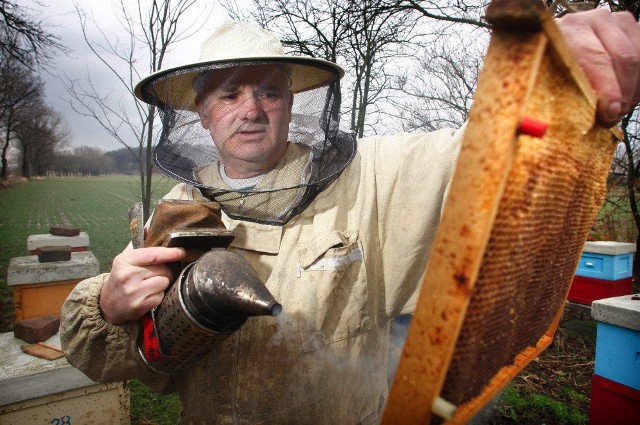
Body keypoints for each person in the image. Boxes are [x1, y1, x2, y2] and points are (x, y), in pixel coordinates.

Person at [61, 9, 640, 424]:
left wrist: (549, 79)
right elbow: (112, 356)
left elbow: (489, 147)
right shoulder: (175, 212)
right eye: (229, 94)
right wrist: (110, 306)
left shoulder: (372, 175)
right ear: (200, 114)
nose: (253, 109)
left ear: (293, 103)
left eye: (269, 91)